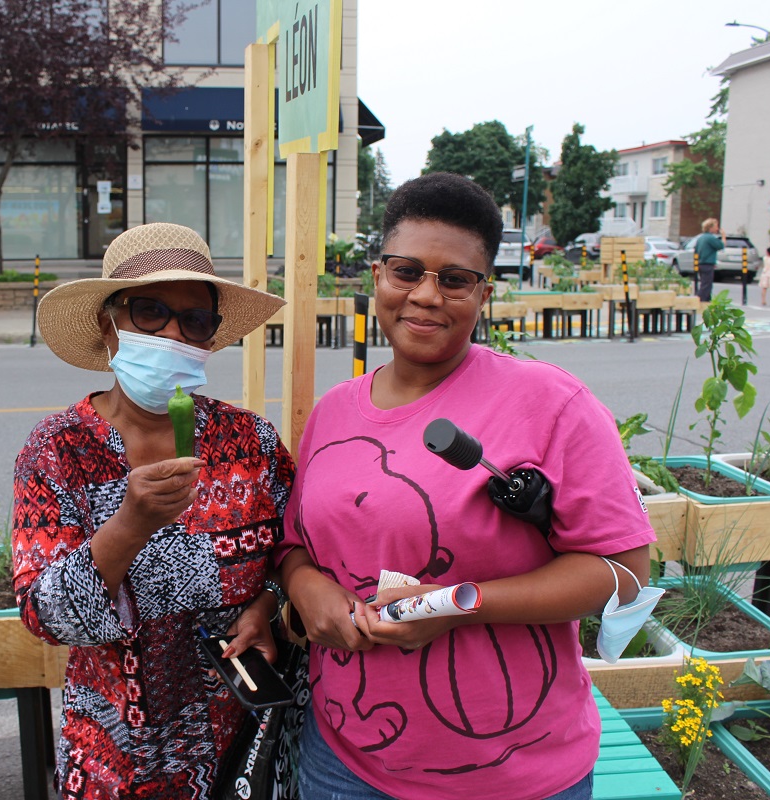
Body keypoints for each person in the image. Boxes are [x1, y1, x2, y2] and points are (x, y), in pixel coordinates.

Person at [275, 172, 657, 800]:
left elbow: (625, 573)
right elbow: (296, 545)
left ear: (484, 293)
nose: (426, 296)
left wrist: (459, 604)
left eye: (454, 280)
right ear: (377, 276)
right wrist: (305, 588)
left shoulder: (551, 403)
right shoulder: (334, 411)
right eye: (406, 272)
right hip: (343, 762)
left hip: (518, 776)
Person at [12, 222, 295, 799]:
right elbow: (46, 616)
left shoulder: (251, 441)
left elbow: (295, 550)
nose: (172, 334)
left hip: (240, 739)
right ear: (108, 324)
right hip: (117, 753)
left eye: (194, 321)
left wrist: (265, 606)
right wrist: (129, 526)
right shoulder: (60, 449)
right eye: (149, 312)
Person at [693, 217, 725, 302]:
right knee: (706, 285)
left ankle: (707, 301)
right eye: (716, 226)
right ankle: (700, 300)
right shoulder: (710, 238)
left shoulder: (701, 238)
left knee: (705, 283)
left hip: (700, 263)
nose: (717, 229)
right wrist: (723, 236)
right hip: (707, 264)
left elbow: (696, 250)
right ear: (710, 228)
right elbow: (721, 246)